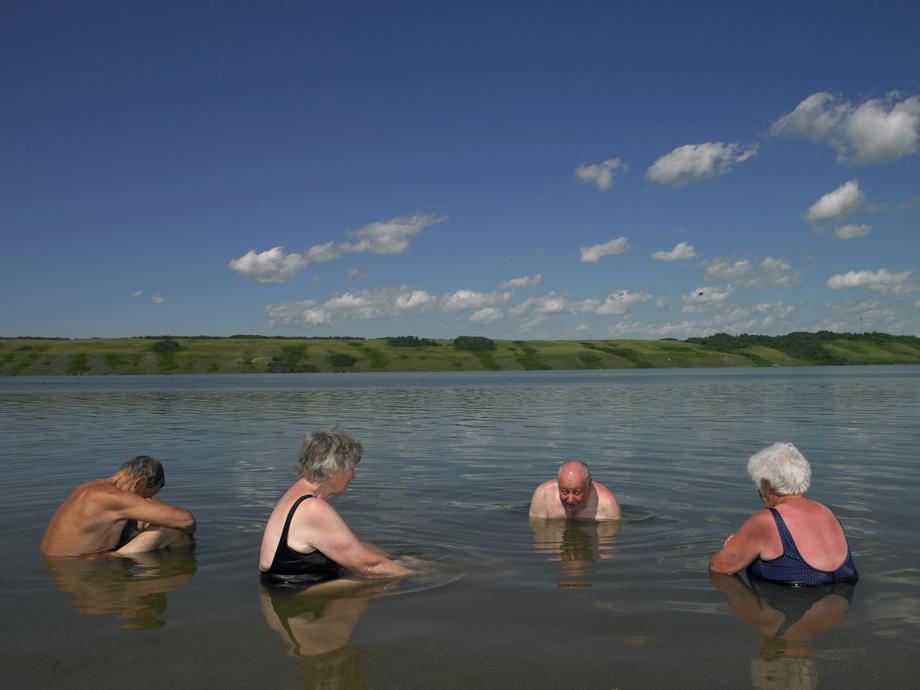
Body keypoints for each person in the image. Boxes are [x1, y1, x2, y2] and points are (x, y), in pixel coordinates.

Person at [259, 429, 412, 587]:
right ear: (331, 470)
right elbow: (367, 567)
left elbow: (354, 546)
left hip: (293, 586)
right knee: (381, 586)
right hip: (294, 595)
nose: (354, 474)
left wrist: (398, 560)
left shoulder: (298, 493)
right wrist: (419, 576)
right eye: (351, 467)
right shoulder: (312, 508)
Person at [709, 442, 858, 585]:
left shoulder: (766, 520)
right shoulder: (826, 511)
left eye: (759, 487)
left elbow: (718, 567)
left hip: (797, 602)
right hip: (845, 584)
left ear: (767, 486)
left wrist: (734, 548)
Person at [40, 455, 196, 557]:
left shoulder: (89, 488)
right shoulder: (113, 498)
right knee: (174, 530)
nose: (145, 500)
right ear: (139, 482)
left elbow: (149, 506)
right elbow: (186, 520)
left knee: (150, 520)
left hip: (62, 566)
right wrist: (190, 534)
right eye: (145, 495)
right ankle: (181, 565)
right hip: (82, 567)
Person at [528, 460, 622, 520]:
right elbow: (540, 539)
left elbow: (607, 547)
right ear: (558, 484)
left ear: (589, 486)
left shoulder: (607, 505)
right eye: (564, 492)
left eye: (577, 493)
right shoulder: (542, 496)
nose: (570, 500)